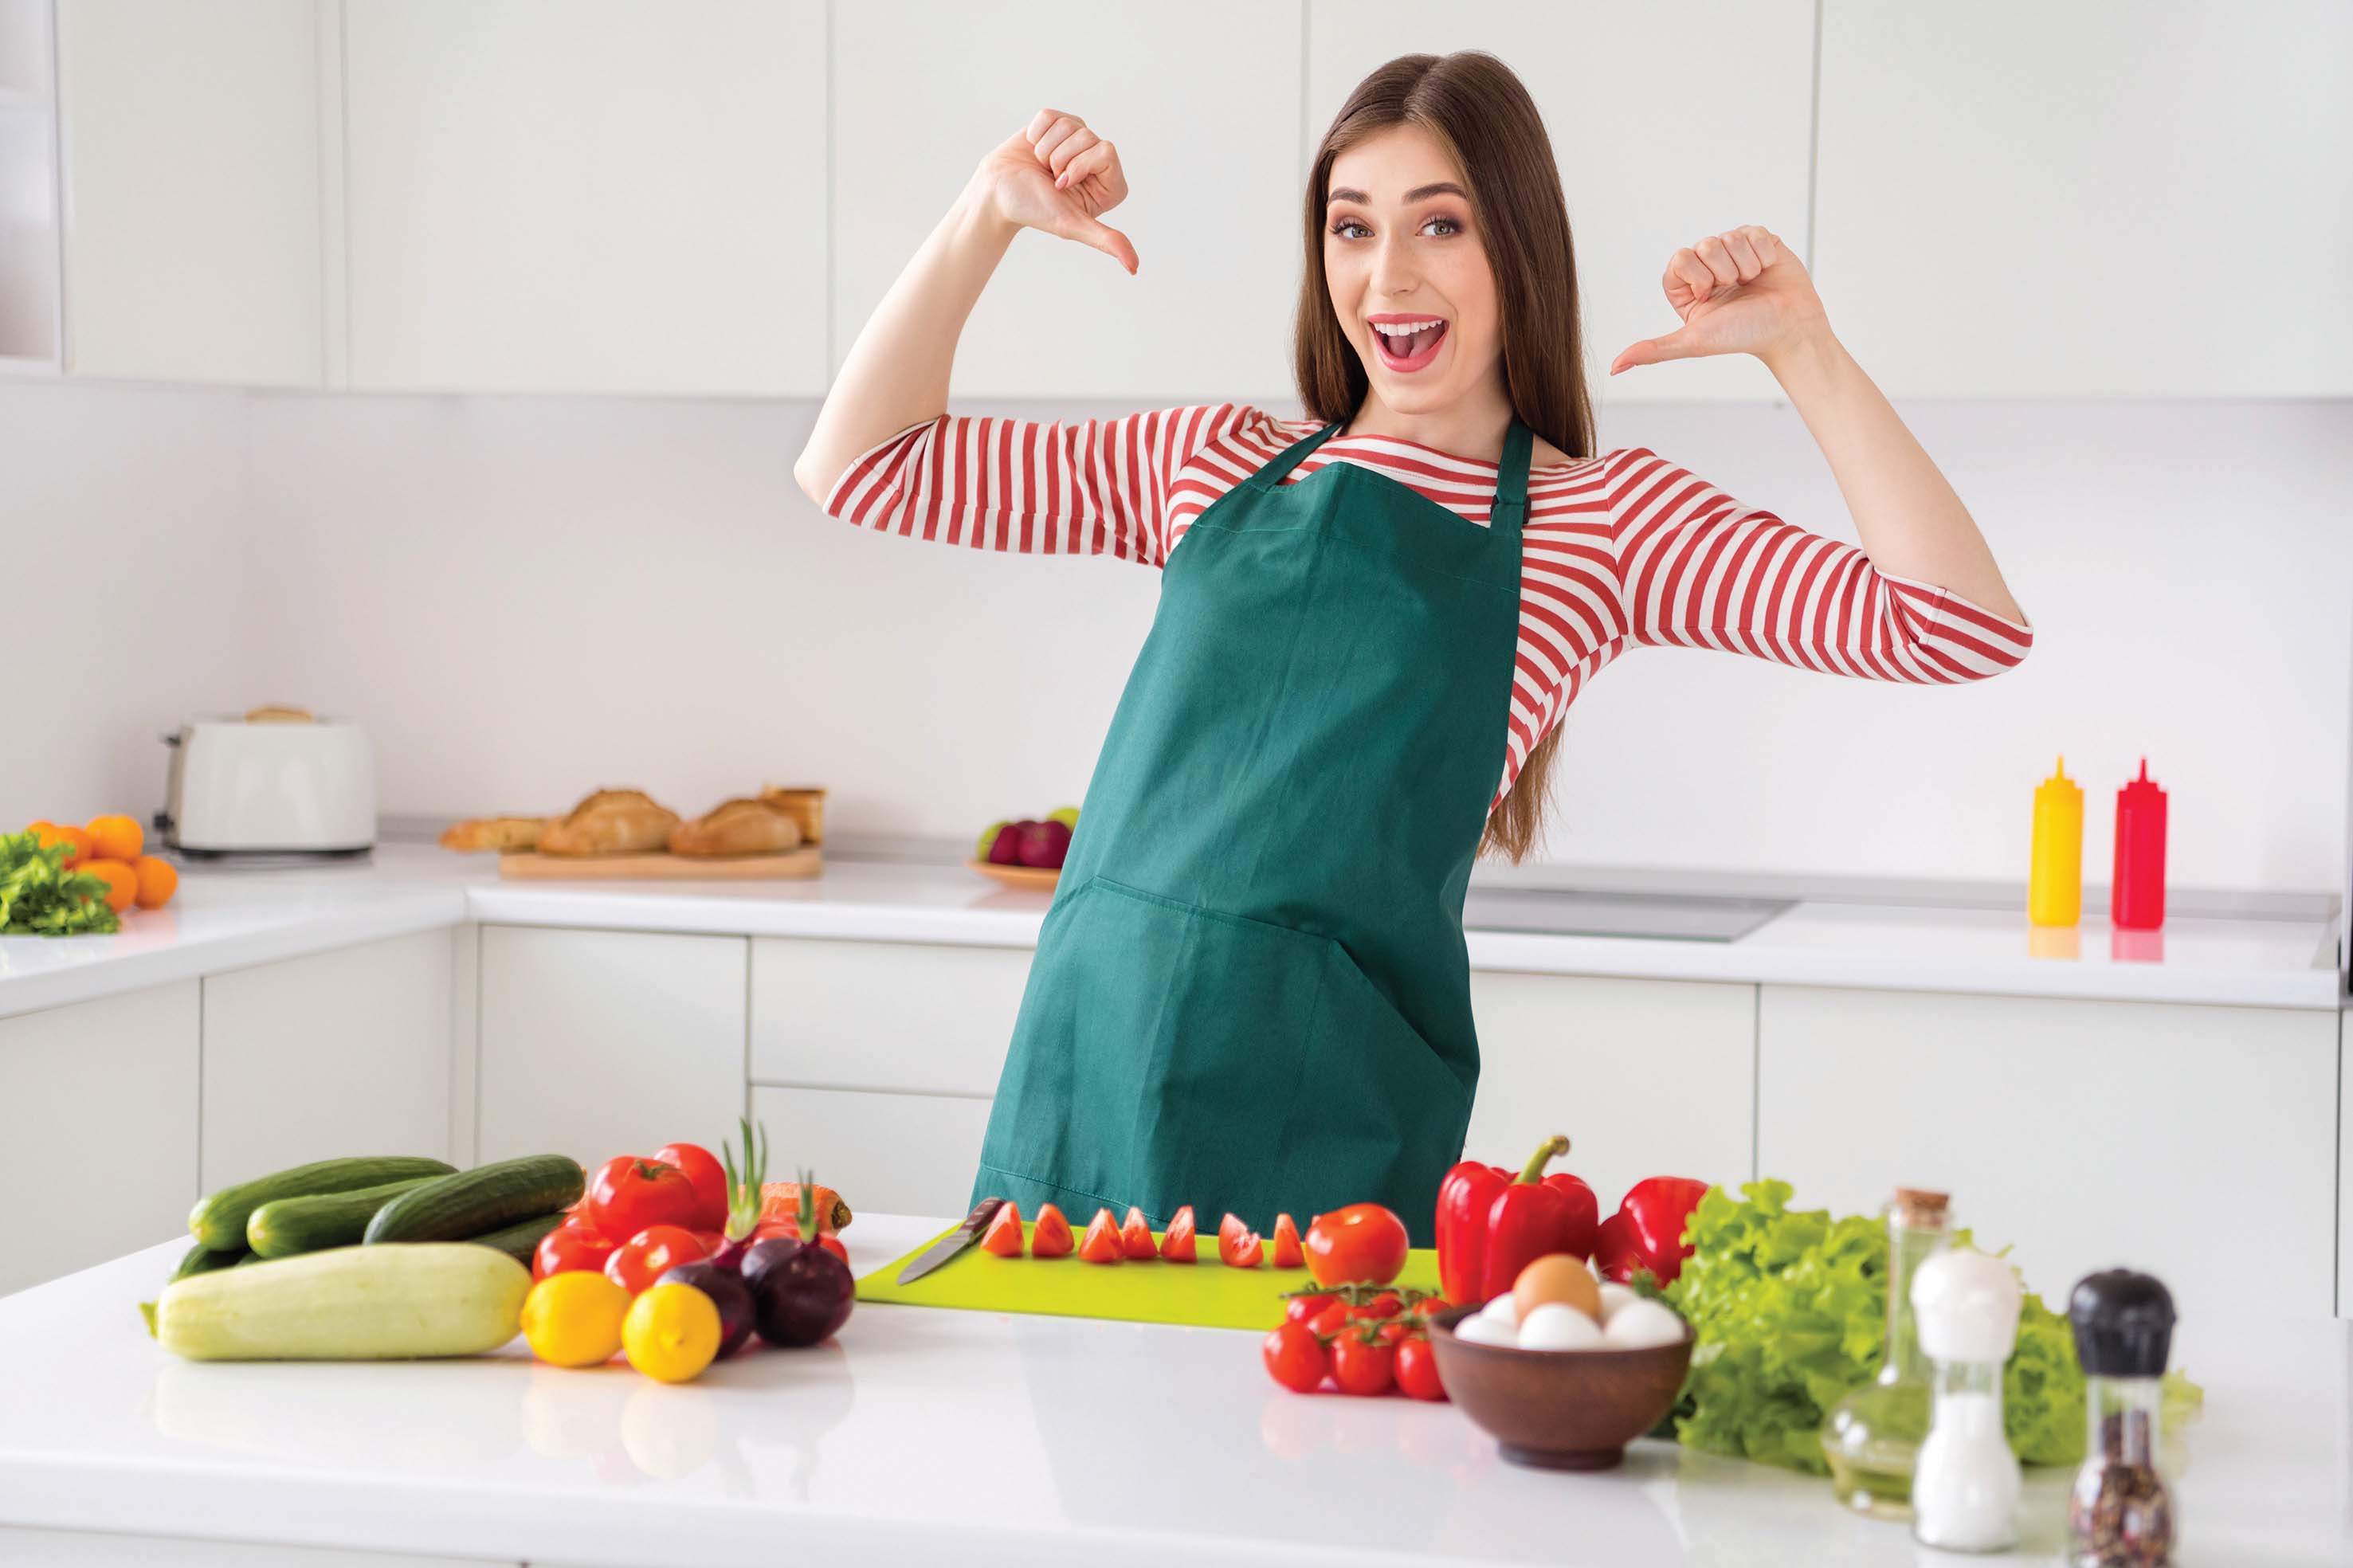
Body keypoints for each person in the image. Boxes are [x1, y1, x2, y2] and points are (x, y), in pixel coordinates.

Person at [794, 53, 2031, 1245]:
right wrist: (983, 216)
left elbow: (1957, 625)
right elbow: (855, 469)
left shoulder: (1600, 523)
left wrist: (1800, 350)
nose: (1387, 274)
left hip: (1320, 1124)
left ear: (1517, 249)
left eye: (1439, 226)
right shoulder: (1203, 459)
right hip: (1090, 1065)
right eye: (1351, 226)